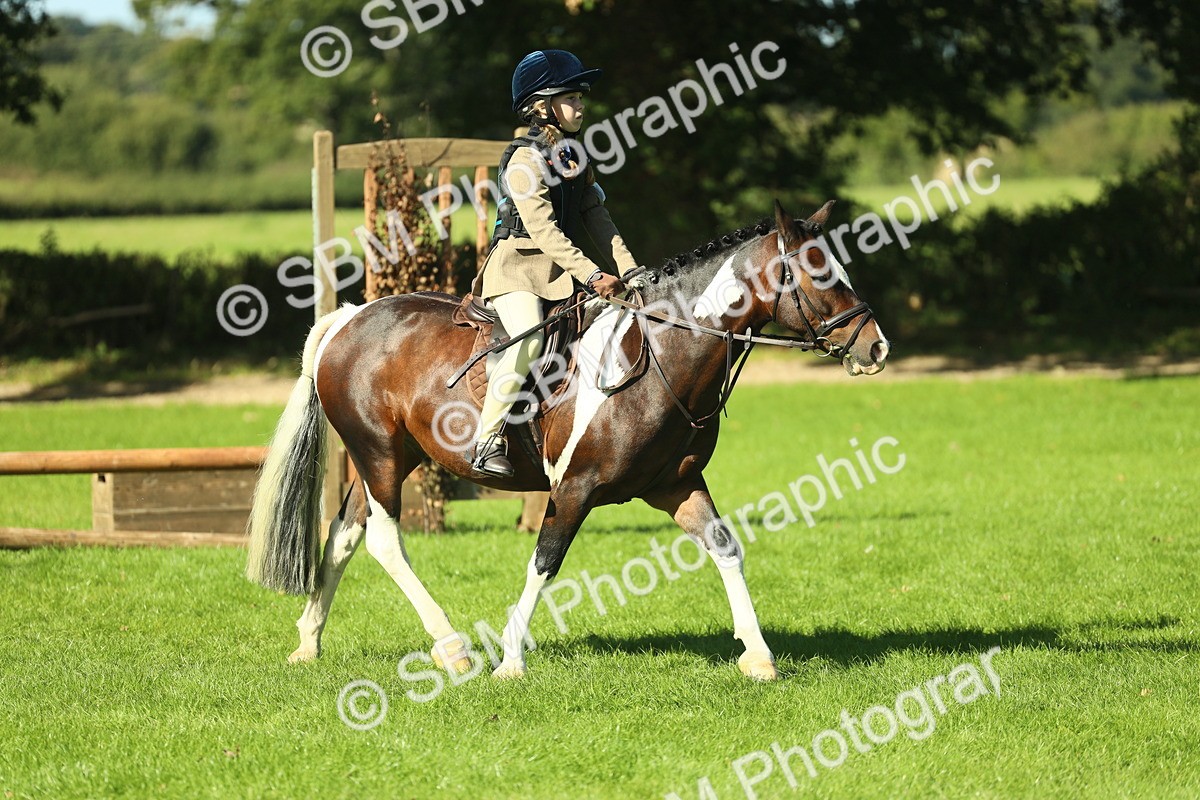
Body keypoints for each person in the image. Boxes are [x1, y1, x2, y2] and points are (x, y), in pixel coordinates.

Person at [469, 49, 639, 478]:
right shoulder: (525, 161)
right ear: (541, 106)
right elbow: (544, 233)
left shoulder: (573, 155)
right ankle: (487, 438)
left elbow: (598, 218)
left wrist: (630, 268)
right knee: (528, 339)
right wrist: (593, 274)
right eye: (572, 97)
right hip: (516, 272)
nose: (582, 104)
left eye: (582, 97)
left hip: (559, 274)